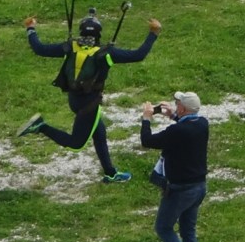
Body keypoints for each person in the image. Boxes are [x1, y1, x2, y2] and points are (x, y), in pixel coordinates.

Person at [17, 11, 162, 183]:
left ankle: (110, 173)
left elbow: (40, 49)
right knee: (76, 144)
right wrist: (153, 33)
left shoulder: (70, 47)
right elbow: (138, 55)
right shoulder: (106, 53)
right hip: (89, 105)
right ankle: (41, 126)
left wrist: (31, 28)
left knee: (99, 132)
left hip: (74, 99)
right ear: (99, 34)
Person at [140, 91, 209, 242]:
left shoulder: (177, 131)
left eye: (178, 104)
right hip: (199, 186)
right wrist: (172, 115)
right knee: (188, 229)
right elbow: (186, 127)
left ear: (183, 108)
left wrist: (146, 118)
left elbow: (147, 141)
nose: (175, 105)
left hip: (180, 189)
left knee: (163, 227)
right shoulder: (203, 124)